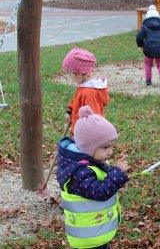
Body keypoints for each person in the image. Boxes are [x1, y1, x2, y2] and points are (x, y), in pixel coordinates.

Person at [56, 105, 129, 249]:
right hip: (88, 238)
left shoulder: (86, 164)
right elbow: (100, 192)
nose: (110, 152)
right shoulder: (79, 172)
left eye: (111, 146)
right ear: (88, 148)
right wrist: (117, 173)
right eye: (105, 147)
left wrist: (115, 173)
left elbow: (100, 178)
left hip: (94, 231)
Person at [62, 47, 109, 133]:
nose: (70, 77)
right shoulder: (83, 88)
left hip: (86, 135)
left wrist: (85, 136)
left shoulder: (89, 93)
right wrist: (70, 111)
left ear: (85, 74)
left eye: (71, 74)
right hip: (78, 130)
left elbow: (93, 118)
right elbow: (76, 101)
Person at [136, 5, 160, 87]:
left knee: (148, 64)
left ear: (147, 18)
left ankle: (148, 81)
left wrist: (141, 45)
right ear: (158, 17)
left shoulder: (145, 27)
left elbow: (139, 36)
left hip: (148, 48)